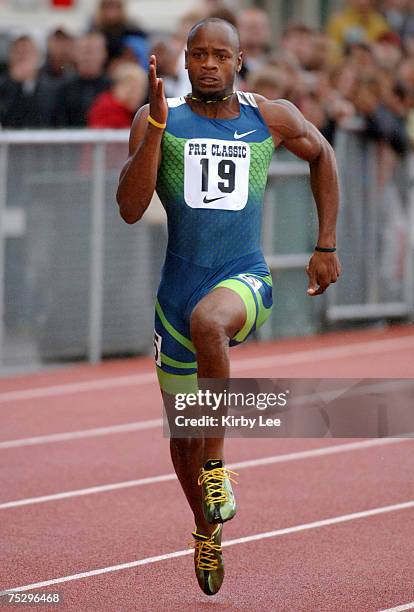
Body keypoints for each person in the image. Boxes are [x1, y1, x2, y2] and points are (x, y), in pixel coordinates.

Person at [116, 17, 341, 596]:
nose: (209, 64)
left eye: (221, 54)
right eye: (198, 55)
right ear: (183, 62)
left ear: (239, 61)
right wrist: (157, 131)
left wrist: (325, 245)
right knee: (181, 433)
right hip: (176, 291)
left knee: (209, 324)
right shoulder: (157, 118)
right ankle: (204, 526)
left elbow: (323, 156)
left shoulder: (268, 117)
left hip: (243, 279)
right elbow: (130, 207)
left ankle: (218, 467)